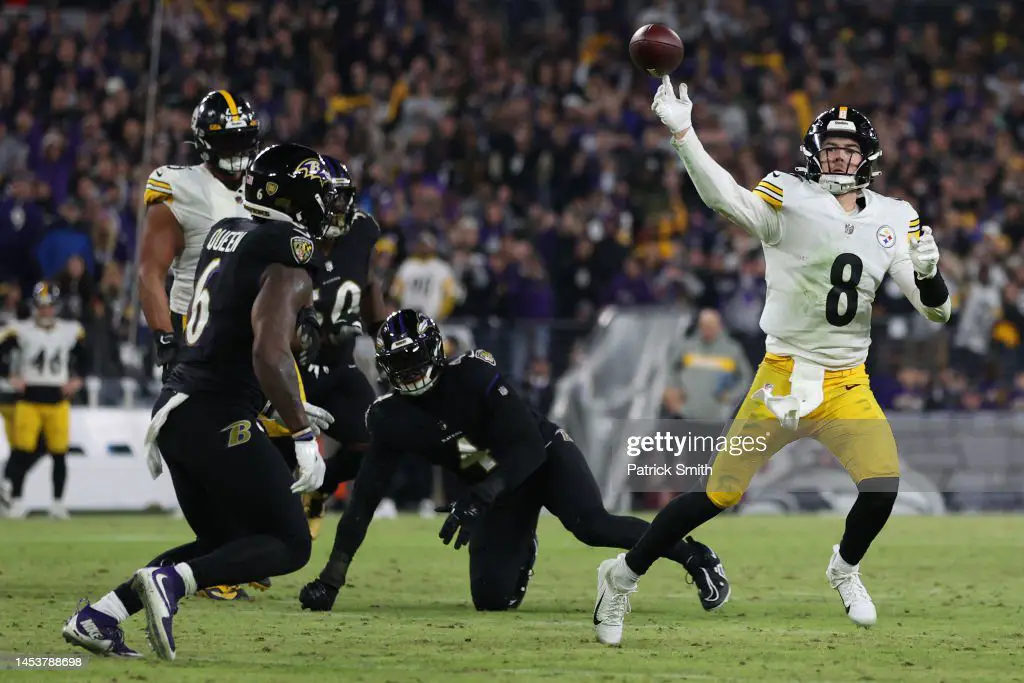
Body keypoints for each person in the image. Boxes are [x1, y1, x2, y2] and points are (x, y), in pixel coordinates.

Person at [591, 78, 951, 646]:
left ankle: (845, 568)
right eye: (831, 148)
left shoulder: (893, 216)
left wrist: (931, 274)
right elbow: (724, 198)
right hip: (781, 377)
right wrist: (684, 134)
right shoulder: (788, 194)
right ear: (814, 152)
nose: (839, 156)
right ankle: (621, 577)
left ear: (867, 158)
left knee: (882, 487)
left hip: (845, 382)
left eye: (849, 149)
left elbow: (936, 313)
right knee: (717, 495)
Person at [61, 144, 337, 661]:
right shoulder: (289, 250)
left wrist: (275, 406)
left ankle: (100, 615)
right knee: (290, 543)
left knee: (223, 544)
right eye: (320, 192)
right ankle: (170, 584)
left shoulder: (226, 231)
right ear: (296, 197)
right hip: (215, 412)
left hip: (179, 407)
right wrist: (301, 434)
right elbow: (267, 349)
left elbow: (230, 336)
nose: (327, 203)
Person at [297, 309, 730, 614]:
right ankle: (524, 540)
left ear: (435, 355)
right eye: (400, 368)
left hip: (541, 455)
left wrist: (478, 498)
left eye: (415, 365)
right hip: (493, 482)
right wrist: (333, 577)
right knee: (492, 601)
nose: (410, 377)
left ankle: (695, 557)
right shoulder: (390, 416)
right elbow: (364, 502)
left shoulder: (474, 376)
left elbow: (524, 449)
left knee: (593, 525)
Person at [137, 89, 261, 600]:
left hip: (252, 337)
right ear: (204, 142)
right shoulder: (180, 186)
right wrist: (167, 337)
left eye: (243, 139)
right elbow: (150, 271)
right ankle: (219, 558)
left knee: (256, 441)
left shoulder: (264, 187)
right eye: (226, 139)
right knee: (213, 445)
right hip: (197, 331)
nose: (236, 149)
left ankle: (238, 548)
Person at [262, 154, 388, 540]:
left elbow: (367, 284)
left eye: (343, 199)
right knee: (270, 460)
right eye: (330, 200)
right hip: (288, 369)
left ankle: (319, 487)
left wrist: (381, 332)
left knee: (379, 438)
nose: (339, 209)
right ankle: (260, 536)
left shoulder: (362, 232)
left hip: (336, 367)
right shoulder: (280, 240)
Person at [0, 283, 87, 519]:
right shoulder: (21, 329)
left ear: (55, 307)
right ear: (35, 307)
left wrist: (78, 378)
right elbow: (2, 352)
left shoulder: (70, 330)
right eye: (42, 306)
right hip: (28, 398)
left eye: (49, 306)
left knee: (59, 453)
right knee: (22, 450)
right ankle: (15, 500)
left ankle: (57, 503)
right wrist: (9, 375)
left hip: (58, 398)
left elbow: (84, 356)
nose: (46, 311)